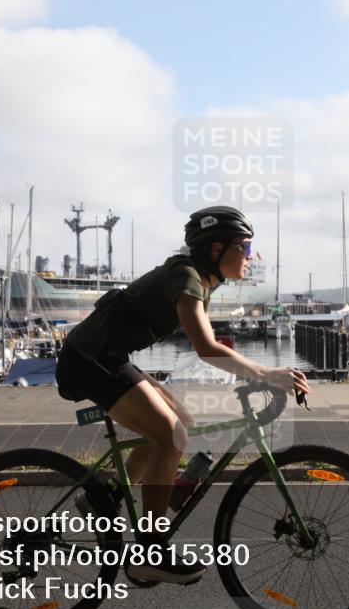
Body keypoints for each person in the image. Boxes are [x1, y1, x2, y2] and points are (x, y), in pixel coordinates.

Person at [55, 205, 310, 584]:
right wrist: (269, 373)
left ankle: (104, 496)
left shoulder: (198, 282)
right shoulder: (187, 278)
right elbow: (206, 347)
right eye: (245, 246)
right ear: (215, 248)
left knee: (183, 426)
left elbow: (204, 352)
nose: (251, 255)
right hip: (89, 360)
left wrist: (256, 375)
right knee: (170, 432)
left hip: (106, 357)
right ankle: (150, 551)